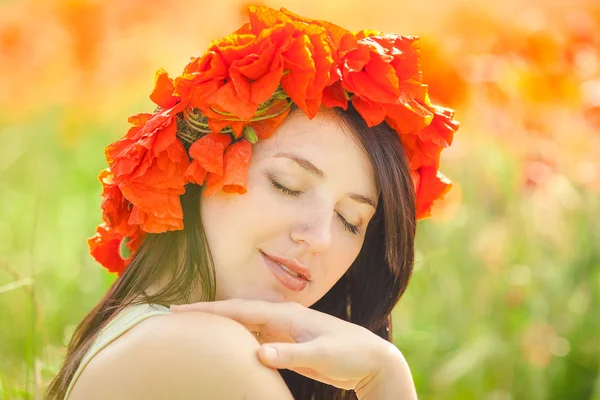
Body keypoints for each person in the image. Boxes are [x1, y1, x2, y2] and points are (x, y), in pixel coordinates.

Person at [46, 5, 459, 400]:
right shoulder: (204, 349)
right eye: (287, 185)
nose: (319, 238)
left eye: (350, 221)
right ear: (201, 165)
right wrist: (385, 378)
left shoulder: (146, 331)